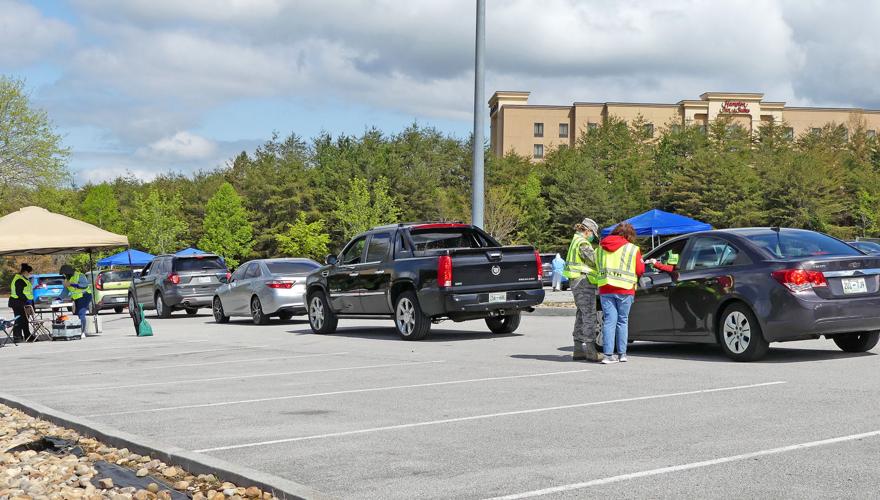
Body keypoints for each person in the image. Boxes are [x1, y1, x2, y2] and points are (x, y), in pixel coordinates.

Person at [596, 222, 645, 364]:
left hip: (605, 287)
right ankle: (622, 354)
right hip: (625, 288)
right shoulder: (632, 249)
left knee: (609, 321)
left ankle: (607, 355)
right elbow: (640, 270)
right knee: (622, 321)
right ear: (629, 235)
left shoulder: (600, 248)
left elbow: (596, 265)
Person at [562, 218, 601, 361]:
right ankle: (591, 351)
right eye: (592, 234)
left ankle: (578, 349)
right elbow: (595, 260)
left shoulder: (575, 240)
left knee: (581, 314)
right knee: (589, 315)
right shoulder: (583, 243)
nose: (592, 237)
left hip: (576, 281)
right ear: (588, 231)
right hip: (583, 282)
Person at [59, 264, 92, 334]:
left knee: (81, 314)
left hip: (85, 295)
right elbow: (65, 291)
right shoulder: (67, 279)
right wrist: (59, 298)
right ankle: (79, 330)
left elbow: (84, 285)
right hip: (77, 298)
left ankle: (82, 332)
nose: (64, 275)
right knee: (77, 314)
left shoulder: (80, 275)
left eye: (64, 274)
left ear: (68, 272)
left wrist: (71, 284)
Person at [7, 263, 34, 342]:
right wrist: (26, 300)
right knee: (19, 320)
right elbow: (19, 293)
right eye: (30, 273)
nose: (31, 274)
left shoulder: (24, 279)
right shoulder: (19, 280)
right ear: (25, 272)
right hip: (17, 302)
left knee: (25, 320)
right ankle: (17, 337)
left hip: (23, 303)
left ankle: (28, 336)